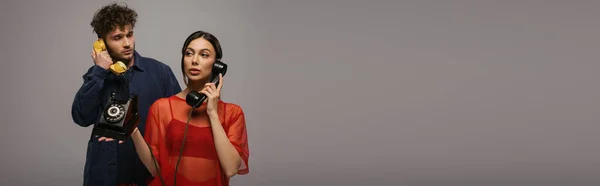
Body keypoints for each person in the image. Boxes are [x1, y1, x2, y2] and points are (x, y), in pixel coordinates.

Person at [71, 3, 181, 186]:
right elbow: (81, 117)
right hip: (106, 174)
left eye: (129, 34)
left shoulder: (159, 72)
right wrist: (99, 72)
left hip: (147, 173)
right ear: (102, 42)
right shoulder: (96, 75)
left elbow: (179, 123)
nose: (127, 43)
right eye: (117, 37)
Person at [130, 30, 250, 186]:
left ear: (217, 66)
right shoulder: (162, 107)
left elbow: (231, 169)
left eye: (204, 55)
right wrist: (133, 131)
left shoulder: (233, 113)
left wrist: (213, 113)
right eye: (189, 53)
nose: (194, 60)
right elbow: (155, 169)